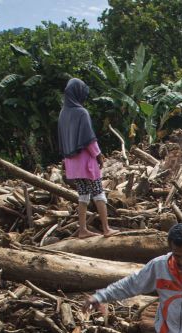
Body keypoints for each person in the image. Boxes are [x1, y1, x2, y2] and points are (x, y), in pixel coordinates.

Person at [58, 77, 113, 238]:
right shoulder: (81, 112)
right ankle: (106, 229)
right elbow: (89, 138)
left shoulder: (63, 113)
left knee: (83, 195)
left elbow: (61, 139)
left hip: (72, 163)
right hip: (86, 161)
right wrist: (98, 155)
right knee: (98, 193)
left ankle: (82, 230)